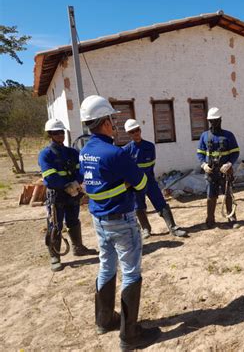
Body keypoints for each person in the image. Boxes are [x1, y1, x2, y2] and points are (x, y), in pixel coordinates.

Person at [79, 95, 160, 350]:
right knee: (131, 273)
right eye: (112, 120)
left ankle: (104, 320)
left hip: (99, 220)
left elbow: (91, 186)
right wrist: (126, 183)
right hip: (122, 220)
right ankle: (130, 336)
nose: (114, 125)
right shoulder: (116, 154)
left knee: (106, 267)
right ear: (103, 122)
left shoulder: (85, 152)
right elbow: (142, 183)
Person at [38, 118, 97, 272]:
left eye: (61, 132)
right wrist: (66, 185)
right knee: (55, 225)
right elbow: (50, 178)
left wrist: (76, 184)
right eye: (56, 133)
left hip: (73, 193)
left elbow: (81, 170)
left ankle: (78, 248)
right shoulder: (46, 154)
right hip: (57, 195)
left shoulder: (71, 152)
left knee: (73, 220)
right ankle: (55, 256)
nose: (60, 135)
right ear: (50, 134)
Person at [122, 119, 186, 239]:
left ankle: (173, 227)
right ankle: (146, 229)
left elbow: (150, 166)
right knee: (139, 207)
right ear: (128, 134)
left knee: (161, 203)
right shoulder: (126, 151)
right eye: (132, 132)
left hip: (149, 181)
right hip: (135, 185)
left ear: (140, 130)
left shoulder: (149, 147)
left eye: (137, 130)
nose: (135, 133)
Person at [197, 107, 240, 229]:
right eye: (211, 121)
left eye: (215, 120)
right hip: (211, 172)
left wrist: (229, 164)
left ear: (220, 120)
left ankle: (231, 217)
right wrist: (204, 165)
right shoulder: (204, 136)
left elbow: (235, 152)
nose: (213, 123)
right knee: (211, 196)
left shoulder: (228, 135)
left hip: (225, 171)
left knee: (228, 195)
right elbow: (200, 153)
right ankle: (210, 219)